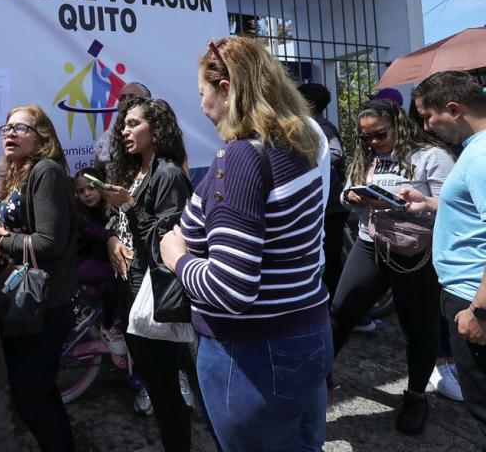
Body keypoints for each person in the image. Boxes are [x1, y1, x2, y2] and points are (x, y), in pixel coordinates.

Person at [160, 36, 332, 451]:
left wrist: (177, 257)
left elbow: (230, 289)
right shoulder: (301, 143)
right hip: (309, 332)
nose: (201, 107)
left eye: (203, 94)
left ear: (226, 89)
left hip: (252, 354)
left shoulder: (239, 159)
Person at [333, 98, 454, 435]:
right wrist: (353, 198)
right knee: (341, 312)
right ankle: (317, 375)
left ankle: (416, 397)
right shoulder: (368, 157)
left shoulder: (431, 156)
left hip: (416, 253)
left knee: (418, 329)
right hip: (370, 244)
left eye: (379, 135)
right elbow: (345, 193)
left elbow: (453, 207)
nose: (373, 142)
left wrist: (415, 206)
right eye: (365, 137)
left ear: (398, 125)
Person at [98, 96, 192, 450]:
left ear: (158, 128)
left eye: (133, 123)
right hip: (129, 287)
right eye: (123, 124)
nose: (124, 131)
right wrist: (110, 238)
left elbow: (169, 240)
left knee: (165, 387)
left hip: (152, 291)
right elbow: (117, 221)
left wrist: (131, 206)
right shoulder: (135, 171)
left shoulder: (168, 174)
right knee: (153, 381)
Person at [399, 71, 486, 446]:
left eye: (427, 116)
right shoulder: (474, 149)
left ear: (453, 109)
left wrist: (479, 311)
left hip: (473, 297)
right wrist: (428, 203)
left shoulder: (481, 155)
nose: (425, 126)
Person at [0, 104, 77, 451]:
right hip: (21, 301)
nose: (9, 133)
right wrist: (1, 234)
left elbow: (49, 242)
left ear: (42, 137)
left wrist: (0, 238)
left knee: (33, 394)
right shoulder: (18, 172)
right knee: (31, 391)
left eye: (20, 128)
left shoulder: (46, 172)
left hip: (44, 305)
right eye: (6, 128)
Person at [298, 83, 347, 301]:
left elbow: (336, 153)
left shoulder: (322, 127)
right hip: (324, 205)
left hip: (331, 207)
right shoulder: (307, 125)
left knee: (330, 263)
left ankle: (335, 309)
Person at [73, 167, 126, 354]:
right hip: (80, 263)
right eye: (81, 191)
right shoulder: (79, 214)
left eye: (91, 188)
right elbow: (97, 233)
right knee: (119, 272)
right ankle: (108, 325)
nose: (86, 194)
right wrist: (115, 237)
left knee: (109, 287)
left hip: (99, 261)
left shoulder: (108, 206)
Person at [93, 81, 152, 173]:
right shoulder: (106, 138)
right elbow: (97, 173)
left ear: (147, 102)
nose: (126, 101)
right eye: (122, 98)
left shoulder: (159, 132)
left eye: (132, 96)